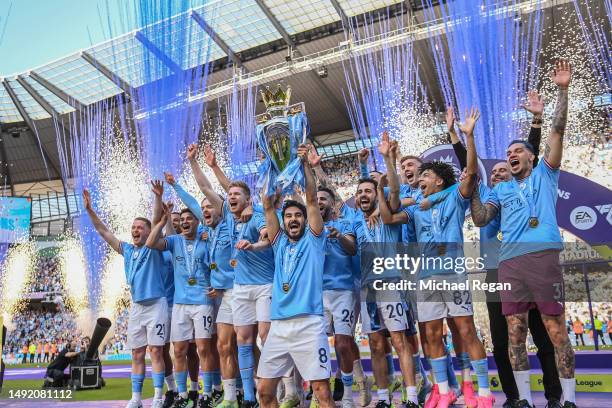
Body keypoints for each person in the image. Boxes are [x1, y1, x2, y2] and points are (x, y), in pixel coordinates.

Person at [471, 59, 576, 408]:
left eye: (517, 152)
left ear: (532, 157)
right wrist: (471, 188)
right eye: (507, 153)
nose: (511, 155)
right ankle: (524, 401)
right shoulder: (500, 190)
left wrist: (562, 90)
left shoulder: (546, 174)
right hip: (509, 264)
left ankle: (567, 400)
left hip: (543, 257)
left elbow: (557, 132)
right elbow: (481, 217)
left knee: (555, 331)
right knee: (514, 335)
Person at [380, 108, 494, 408]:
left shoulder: (455, 198)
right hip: (425, 279)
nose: (420, 179)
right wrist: (389, 163)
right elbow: (390, 214)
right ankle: (443, 391)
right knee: (431, 334)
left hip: (453, 274)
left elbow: (469, 174)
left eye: (426, 175)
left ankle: (483, 392)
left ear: (439, 182)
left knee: (466, 331)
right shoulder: (416, 207)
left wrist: (466, 136)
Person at [256, 144, 333, 408]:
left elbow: (311, 198)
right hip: (278, 326)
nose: (292, 219)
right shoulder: (278, 243)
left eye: (297, 216)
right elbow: (267, 205)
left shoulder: (314, 240)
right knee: (264, 394)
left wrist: (305, 165)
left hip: (309, 325)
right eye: (288, 216)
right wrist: (268, 163)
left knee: (323, 394)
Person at [201, 144, 275, 408]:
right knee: (243, 341)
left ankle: (273, 390)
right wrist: (212, 166)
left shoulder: (255, 217)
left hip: (265, 285)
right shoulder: (229, 219)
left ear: (248, 200)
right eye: (229, 194)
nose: (231, 197)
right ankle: (249, 397)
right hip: (241, 287)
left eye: (237, 195)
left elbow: (268, 237)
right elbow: (212, 189)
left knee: (265, 337)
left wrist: (254, 245)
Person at [348, 133, 419, 408]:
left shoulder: (389, 214)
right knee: (376, 345)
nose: (363, 195)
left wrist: (389, 161)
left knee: (400, 341)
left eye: (368, 191)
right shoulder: (355, 222)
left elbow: (395, 191)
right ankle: (383, 398)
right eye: (359, 193)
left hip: (392, 284)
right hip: (368, 290)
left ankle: (411, 396)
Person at [84, 188, 167, 408]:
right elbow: (104, 231)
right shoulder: (127, 250)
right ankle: (136, 398)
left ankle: (158, 396)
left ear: (150, 231)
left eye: (140, 227)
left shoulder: (155, 246)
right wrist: (90, 210)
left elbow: (157, 219)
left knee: (156, 351)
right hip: (137, 307)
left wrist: (158, 197)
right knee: (137, 353)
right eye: (133, 227)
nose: (135, 230)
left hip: (157, 304)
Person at [148, 203, 219, 408]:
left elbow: (217, 265)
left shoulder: (207, 240)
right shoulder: (174, 241)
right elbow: (152, 242)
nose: (186, 222)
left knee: (204, 349)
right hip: (180, 305)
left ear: (197, 222)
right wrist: (163, 221)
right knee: (178, 350)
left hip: (202, 302)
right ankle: (182, 393)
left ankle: (205, 394)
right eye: (183, 219)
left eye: (190, 219)